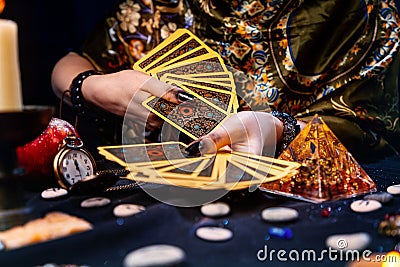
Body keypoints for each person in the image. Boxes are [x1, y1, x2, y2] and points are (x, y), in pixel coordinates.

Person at [51, 0, 400, 163]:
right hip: (150, 205)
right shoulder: (161, 4)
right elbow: (73, 63)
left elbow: (372, 129)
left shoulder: (358, 13)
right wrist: (91, 86)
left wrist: (283, 129)